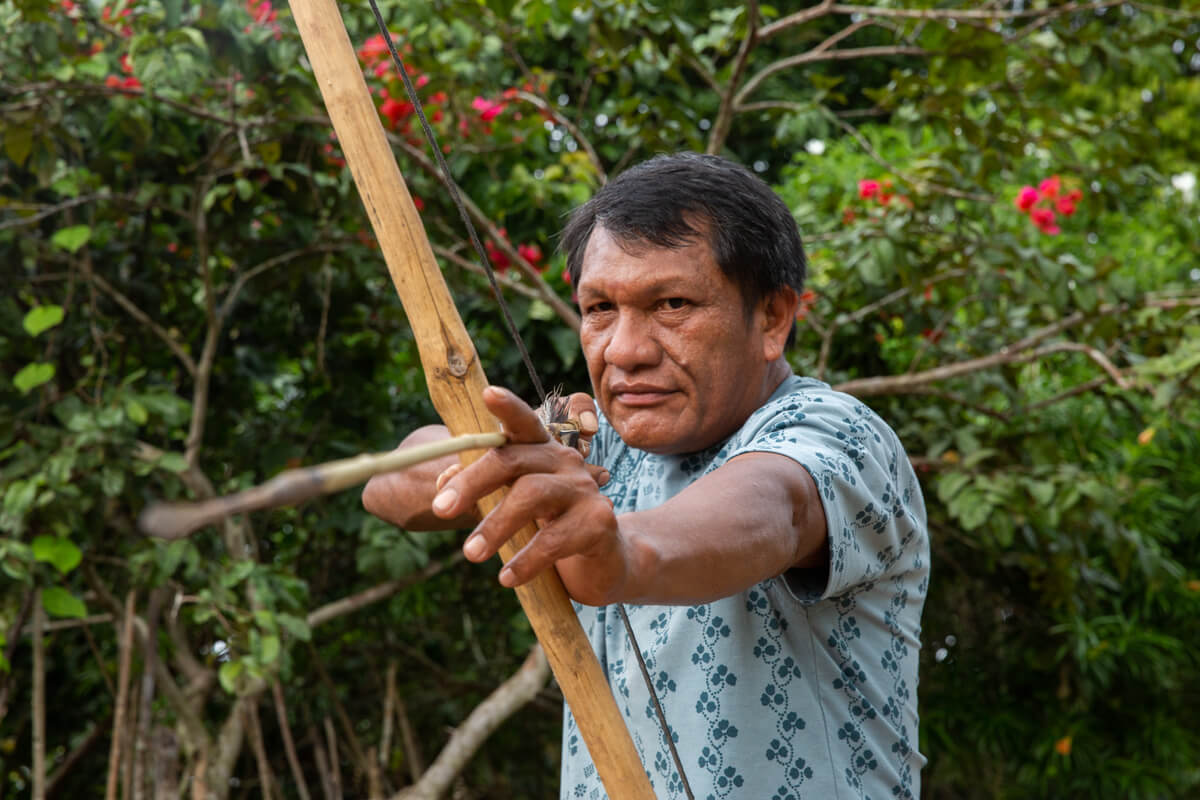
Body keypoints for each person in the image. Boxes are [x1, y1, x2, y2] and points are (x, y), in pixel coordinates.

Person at [362, 152, 929, 800]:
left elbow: (775, 507)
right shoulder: (591, 440)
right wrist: (517, 453)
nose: (625, 350)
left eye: (673, 303)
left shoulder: (836, 434)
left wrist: (617, 548)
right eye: (600, 307)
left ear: (772, 319)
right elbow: (391, 485)